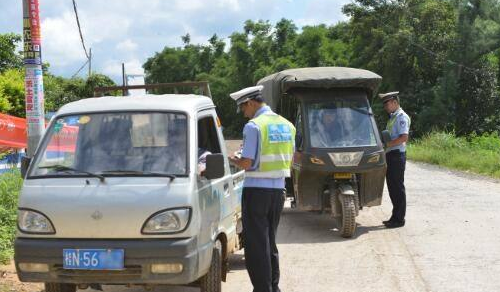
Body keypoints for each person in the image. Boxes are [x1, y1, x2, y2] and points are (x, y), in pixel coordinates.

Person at [228, 85, 295, 292]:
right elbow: (290, 160)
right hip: (278, 192)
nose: (243, 113)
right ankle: (273, 288)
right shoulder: (287, 125)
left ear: (250, 103)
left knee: (256, 247)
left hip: (256, 192)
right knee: (269, 242)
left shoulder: (254, 126)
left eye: (243, 108)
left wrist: (234, 159)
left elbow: (247, 163)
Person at [379, 91, 411, 228]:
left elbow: (404, 137)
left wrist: (387, 144)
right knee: (392, 187)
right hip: (391, 155)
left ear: (394, 102)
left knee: (397, 187)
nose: (385, 106)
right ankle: (394, 217)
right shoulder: (393, 117)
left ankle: (399, 219)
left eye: (387, 103)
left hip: (397, 155)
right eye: (384, 104)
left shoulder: (401, 117)